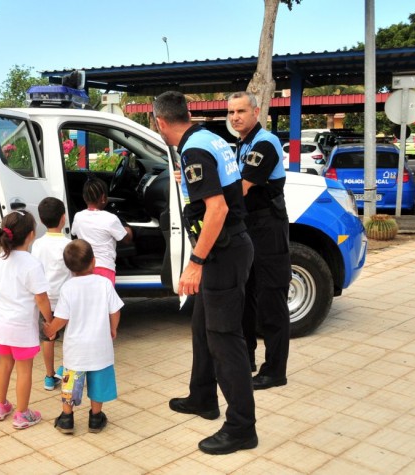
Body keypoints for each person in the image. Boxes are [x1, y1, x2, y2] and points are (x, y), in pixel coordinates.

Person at [154, 91, 257, 455]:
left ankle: (242, 426)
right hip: (224, 249)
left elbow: (217, 210)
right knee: (202, 327)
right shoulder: (209, 137)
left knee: (225, 339)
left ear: (160, 122)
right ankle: (203, 397)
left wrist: (195, 262)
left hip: (223, 253)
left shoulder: (194, 150)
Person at [228, 91, 292, 390]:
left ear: (256, 112)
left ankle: (275, 370)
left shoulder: (265, 142)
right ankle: (247, 359)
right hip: (250, 227)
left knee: (271, 299)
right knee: (247, 296)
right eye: (231, 112)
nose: (235, 117)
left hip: (268, 227)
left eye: (241, 111)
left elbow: (242, 187)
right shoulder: (243, 143)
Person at [44, 239, 123, 434]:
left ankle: (66, 418)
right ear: (94, 261)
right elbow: (115, 311)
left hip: (76, 349)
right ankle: (95, 418)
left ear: (69, 268)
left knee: (71, 382)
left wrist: (50, 329)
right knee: (98, 382)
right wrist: (113, 328)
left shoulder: (68, 287)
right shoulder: (104, 283)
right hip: (100, 347)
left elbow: (62, 317)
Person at [0, 210, 54, 429]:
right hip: (22, 325)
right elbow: (42, 298)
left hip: (0, 322)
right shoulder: (31, 264)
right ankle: (22, 413)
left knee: (4, 364)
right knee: (24, 369)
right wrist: (50, 321)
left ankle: (0, 406)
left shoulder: (0, 259)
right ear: (31, 234)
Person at [31, 197, 71, 391]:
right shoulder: (67, 244)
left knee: (48, 337)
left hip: (44, 300)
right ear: (64, 218)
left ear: (41, 220)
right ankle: (69, 370)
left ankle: (49, 376)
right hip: (66, 300)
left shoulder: (37, 245)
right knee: (70, 336)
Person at [70, 177, 133, 285]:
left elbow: (74, 233)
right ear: (104, 198)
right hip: (105, 268)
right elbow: (126, 239)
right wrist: (128, 229)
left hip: (84, 267)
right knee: (104, 300)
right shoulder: (111, 218)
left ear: (84, 198)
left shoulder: (78, 216)